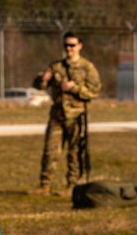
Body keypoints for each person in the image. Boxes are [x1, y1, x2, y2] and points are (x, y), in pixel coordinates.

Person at [31, 31, 101, 196]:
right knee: (50, 150)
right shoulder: (56, 66)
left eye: (72, 45)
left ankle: (72, 186)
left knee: (75, 152)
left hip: (77, 116)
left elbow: (94, 91)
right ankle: (45, 185)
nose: (69, 48)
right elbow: (39, 86)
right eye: (66, 45)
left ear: (79, 46)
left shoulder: (87, 68)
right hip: (57, 115)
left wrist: (74, 88)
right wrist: (42, 79)